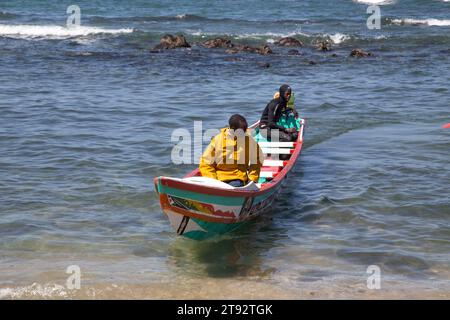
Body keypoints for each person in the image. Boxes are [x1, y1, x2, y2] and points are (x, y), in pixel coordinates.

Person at [199, 114, 264, 187]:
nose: (244, 133)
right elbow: (206, 164)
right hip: (218, 177)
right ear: (232, 129)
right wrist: (213, 181)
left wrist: (252, 179)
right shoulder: (217, 140)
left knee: (236, 184)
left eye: (245, 130)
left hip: (238, 178)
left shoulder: (248, 140)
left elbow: (257, 159)